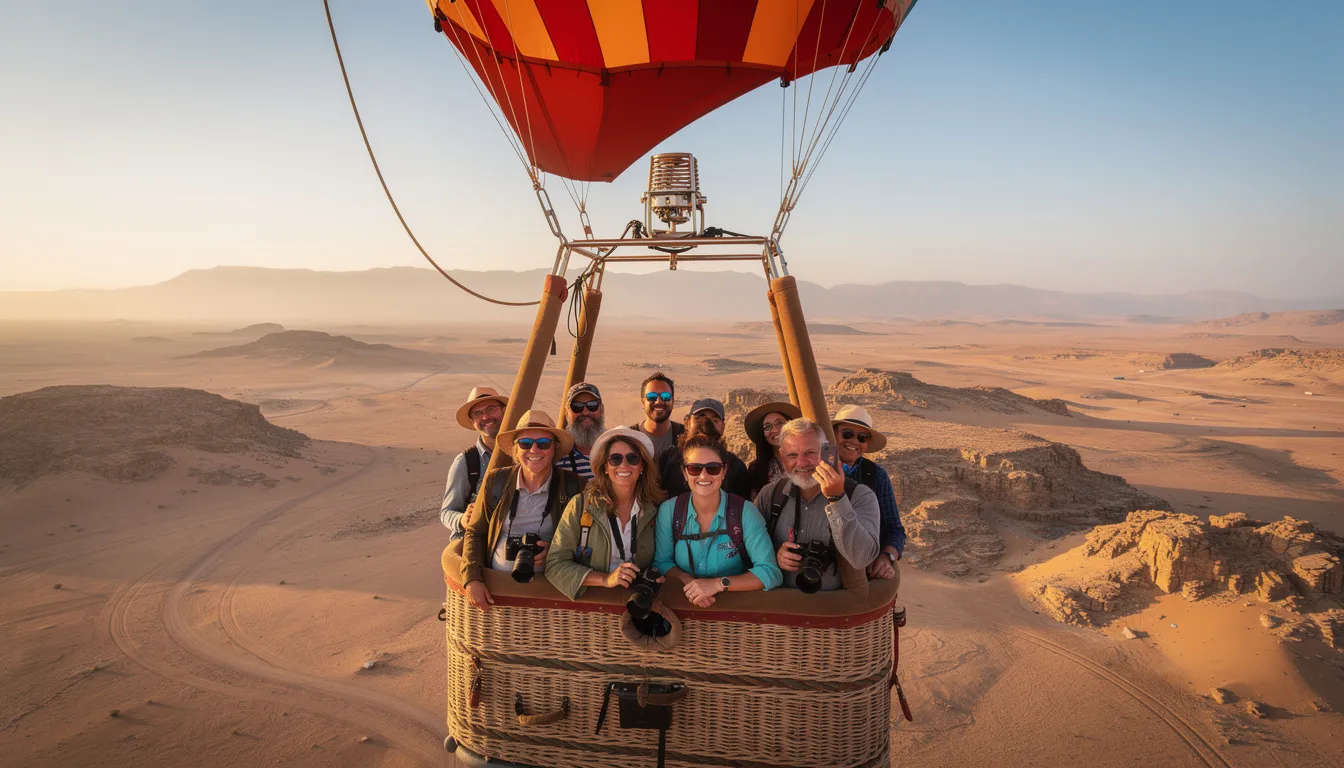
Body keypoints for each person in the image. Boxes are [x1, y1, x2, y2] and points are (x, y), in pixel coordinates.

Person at [460, 410, 587, 609]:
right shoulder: (496, 481)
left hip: (551, 593)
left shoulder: (574, 486)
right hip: (498, 590)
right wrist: (472, 578)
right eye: (525, 444)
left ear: (554, 449)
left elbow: (586, 539)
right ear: (516, 450)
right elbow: (476, 532)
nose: (534, 450)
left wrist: (556, 552)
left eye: (543, 444)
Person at [753, 419, 880, 593]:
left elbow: (862, 558)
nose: (801, 463)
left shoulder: (860, 496)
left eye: (810, 453)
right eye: (792, 455)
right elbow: (746, 552)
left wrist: (837, 498)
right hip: (780, 609)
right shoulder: (771, 495)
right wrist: (774, 555)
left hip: (832, 611)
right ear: (782, 456)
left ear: (826, 453)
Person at [653, 434, 781, 607]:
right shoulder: (669, 511)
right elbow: (662, 562)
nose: (704, 475)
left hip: (734, 611)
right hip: (684, 610)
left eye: (712, 468)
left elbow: (770, 572)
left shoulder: (745, 512)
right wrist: (690, 582)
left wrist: (717, 584)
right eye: (694, 468)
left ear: (724, 471)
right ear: (684, 473)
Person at [546, 428, 664, 600]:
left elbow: (663, 562)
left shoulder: (656, 511)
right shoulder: (580, 506)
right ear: (605, 467)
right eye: (615, 459)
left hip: (635, 607)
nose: (624, 465)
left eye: (632, 458)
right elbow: (555, 564)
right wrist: (605, 579)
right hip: (591, 610)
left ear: (642, 467)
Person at [832, 405, 905, 582]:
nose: (854, 442)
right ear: (832, 434)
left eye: (862, 437)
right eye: (847, 434)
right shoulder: (815, 468)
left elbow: (895, 529)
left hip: (860, 570)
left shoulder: (875, 476)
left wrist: (887, 556)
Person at [440, 386, 507, 540]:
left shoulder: (524, 451)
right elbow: (447, 512)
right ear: (472, 421)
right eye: (478, 413)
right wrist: (462, 520)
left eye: (491, 409)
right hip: (472, 545)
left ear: (505, 411)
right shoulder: (466, 462)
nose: (485, 417)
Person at [657, 398, 751, 499]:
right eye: (700, 418)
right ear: (687, 423)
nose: (706, 424)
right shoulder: (666, 459)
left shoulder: (736, 467)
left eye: (714, 420)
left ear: (723, 427)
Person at [743, 401, 802, 498]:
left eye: (779, 423)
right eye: (767, 427)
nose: (774, 430)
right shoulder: (756, 469)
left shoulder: (809, 459)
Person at [558, 382, 604, 479]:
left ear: (602, 409)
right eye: (577, 407)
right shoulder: (558, 458)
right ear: (566, 413)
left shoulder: (616, 451)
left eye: (592, 405)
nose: (586, 412)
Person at [630, 372, 684, 455]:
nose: (658, 401)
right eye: (652, 396)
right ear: (643, 402)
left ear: (673, 401)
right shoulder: (630, 438)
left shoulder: (686, 436)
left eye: (665, 396)